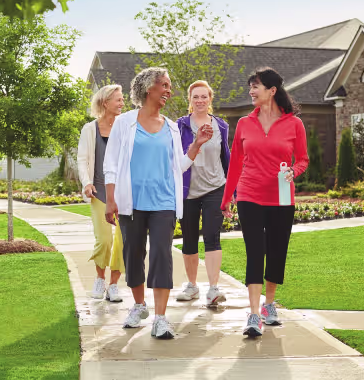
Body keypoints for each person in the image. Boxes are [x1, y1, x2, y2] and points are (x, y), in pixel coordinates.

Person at [104, 67, 212, 340]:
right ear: (148, 88)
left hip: (164, 201)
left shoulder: (173, 127)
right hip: (132, 202)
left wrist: (197, 145)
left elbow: (179, 166)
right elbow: (111, 164)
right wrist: (110, 199)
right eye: (164, 85)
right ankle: (139, 306)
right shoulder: (124, 122)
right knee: (133, 253)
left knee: (162, 253)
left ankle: (161, 318)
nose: (168, 90)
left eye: (169, 85)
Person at [220, 67, 308, 338]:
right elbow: (235, 162)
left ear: (272, 91)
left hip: (281, 197)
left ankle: (269, 305)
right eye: (250, 87)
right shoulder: (246, 123)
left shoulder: (294, 124)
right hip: (249, 194)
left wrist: (295, 171)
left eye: (256, 86)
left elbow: (303, 159)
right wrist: (227, 198)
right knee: (255, 251)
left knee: (277, 250)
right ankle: (254, 314)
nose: (251, 91)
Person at [175, 80, 231, 307]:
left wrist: (231, 192)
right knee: (189, 239)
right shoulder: (179, 126)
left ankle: (213, 288)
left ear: (210, 99)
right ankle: (192, 286)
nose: (200, 101)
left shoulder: (221, 126)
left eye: (204, 97)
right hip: (188, 191)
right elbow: (176, 159)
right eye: (195, 97)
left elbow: (226, 158)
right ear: (190, 100)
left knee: (211, 235)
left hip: (215, 188)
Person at [77, 84, 126, 302]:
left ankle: (114, 285)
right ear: (105, 102)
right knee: (104, 240)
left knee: (123, 241)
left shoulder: (125, 128)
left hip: (124, 194)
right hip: (99, 192)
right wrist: (86, 182)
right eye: (118, 99)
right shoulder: (90, 129)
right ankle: (99, 278)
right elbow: (82, 159)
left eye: (122, 98)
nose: (122, 102)